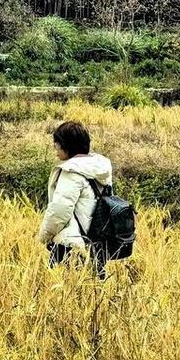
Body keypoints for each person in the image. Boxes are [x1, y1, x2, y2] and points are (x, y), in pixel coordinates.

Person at [37, 120, 111, 279]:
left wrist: (44, 236)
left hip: (71, 245)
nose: (55, 148)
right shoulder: (99, 168)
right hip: (97, 243)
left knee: (62, 296)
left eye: (57, 144)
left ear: (66, 146)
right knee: (93, 294)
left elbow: (59, 212)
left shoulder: (71, 173)